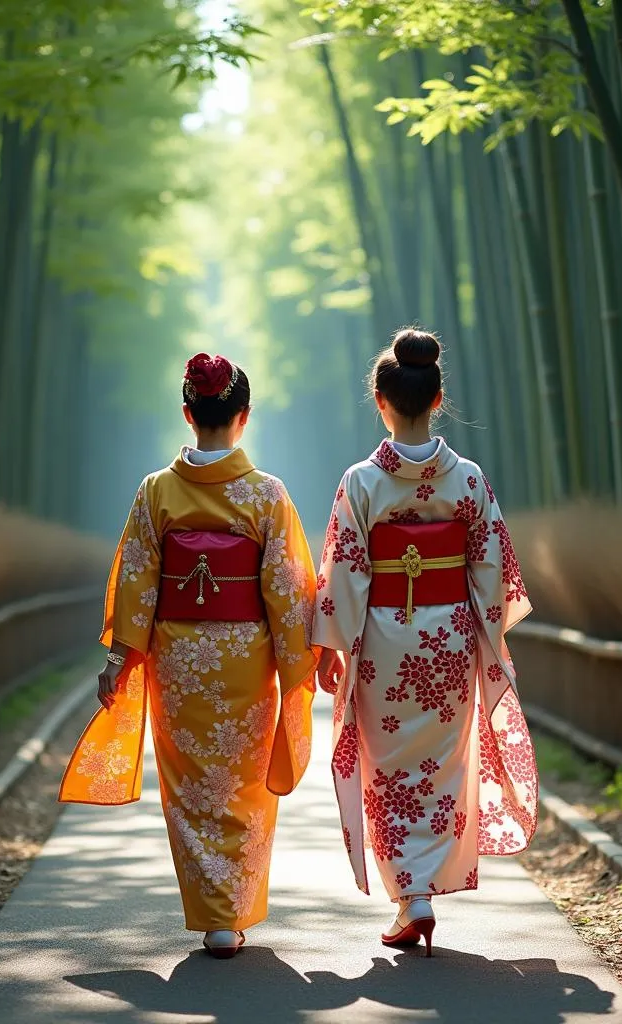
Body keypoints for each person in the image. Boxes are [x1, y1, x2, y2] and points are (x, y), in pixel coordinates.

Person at [59, 353, 318, 959]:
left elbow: (136, 587)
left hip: (177, 661)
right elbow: (286, 590)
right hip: (246, 660)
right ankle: (233, 913)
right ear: (244, 418)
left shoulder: (157, 492)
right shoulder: (267, 495)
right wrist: (300, 665)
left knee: (190, 789)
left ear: (187, 413)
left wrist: (123, 658)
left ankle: (212, 917)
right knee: (243, 786)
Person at [311, 328, 537, 956]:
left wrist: (333, 647)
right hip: (450, 640)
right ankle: (424, 893)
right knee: (440, 767)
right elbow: (491, 569)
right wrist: (485, 633)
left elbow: (344, 573)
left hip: (384, 639)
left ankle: (410, 899)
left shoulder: (362, 481)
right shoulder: (467, 480)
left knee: (387, 770)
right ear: (438, 398)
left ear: (381, 401)